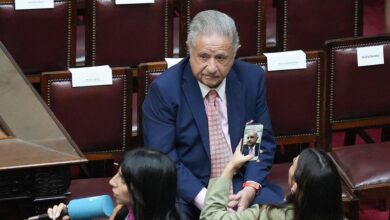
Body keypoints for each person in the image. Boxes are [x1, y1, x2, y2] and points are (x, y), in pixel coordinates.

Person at [142, 10, 283, 219]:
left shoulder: (251, 80)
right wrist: (210, 200)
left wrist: (250, 187)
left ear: (235, 52)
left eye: (221, 58)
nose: (212, 68)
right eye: (204, 57)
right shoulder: (165, 90)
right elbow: (164, 159)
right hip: (191, 191)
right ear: (189, 50)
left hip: (240, 183)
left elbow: (259, 140)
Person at [200, 146, 343, 220]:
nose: (292, 159)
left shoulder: (269, 214)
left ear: (294, 187)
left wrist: (230, 167)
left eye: (293, 163)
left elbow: (211, 217)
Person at [47, 148, 181, 220]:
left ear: (145, 189)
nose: (111, 182)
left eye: (122, 179)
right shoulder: (123, 210)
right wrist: (71, 213)